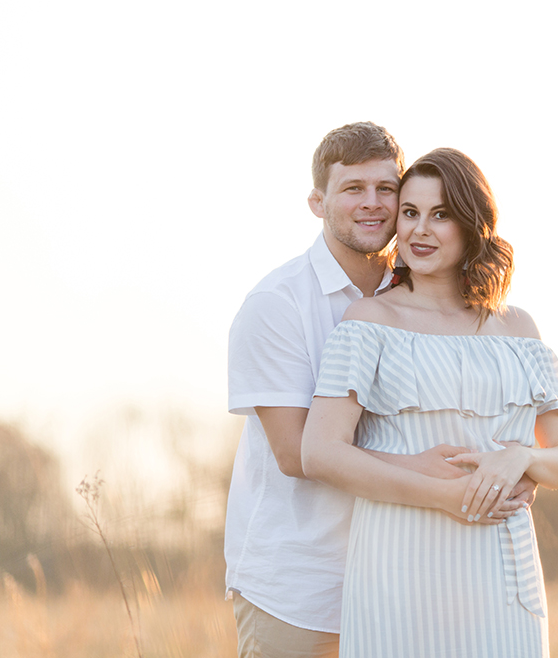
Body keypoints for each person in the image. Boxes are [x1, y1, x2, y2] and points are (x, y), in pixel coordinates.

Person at [225, 124, 532, 658]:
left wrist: (506, 471)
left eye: (386, 189)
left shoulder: (425, 290)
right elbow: (298, 454)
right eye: (353, 189)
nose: (373, 204)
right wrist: (435, 472)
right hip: (302, 585)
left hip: (409, 578)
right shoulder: (276, 305)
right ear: (318, 203)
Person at [302, 148, 558, 657]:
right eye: (410, 213)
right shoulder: (370, 322)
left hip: (502, 571)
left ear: (473, 224)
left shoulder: (518, 329)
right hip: (398, 567)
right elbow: (320, 452)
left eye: (441, 214)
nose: (420, 230)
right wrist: (443, 498)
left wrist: (521, 456)